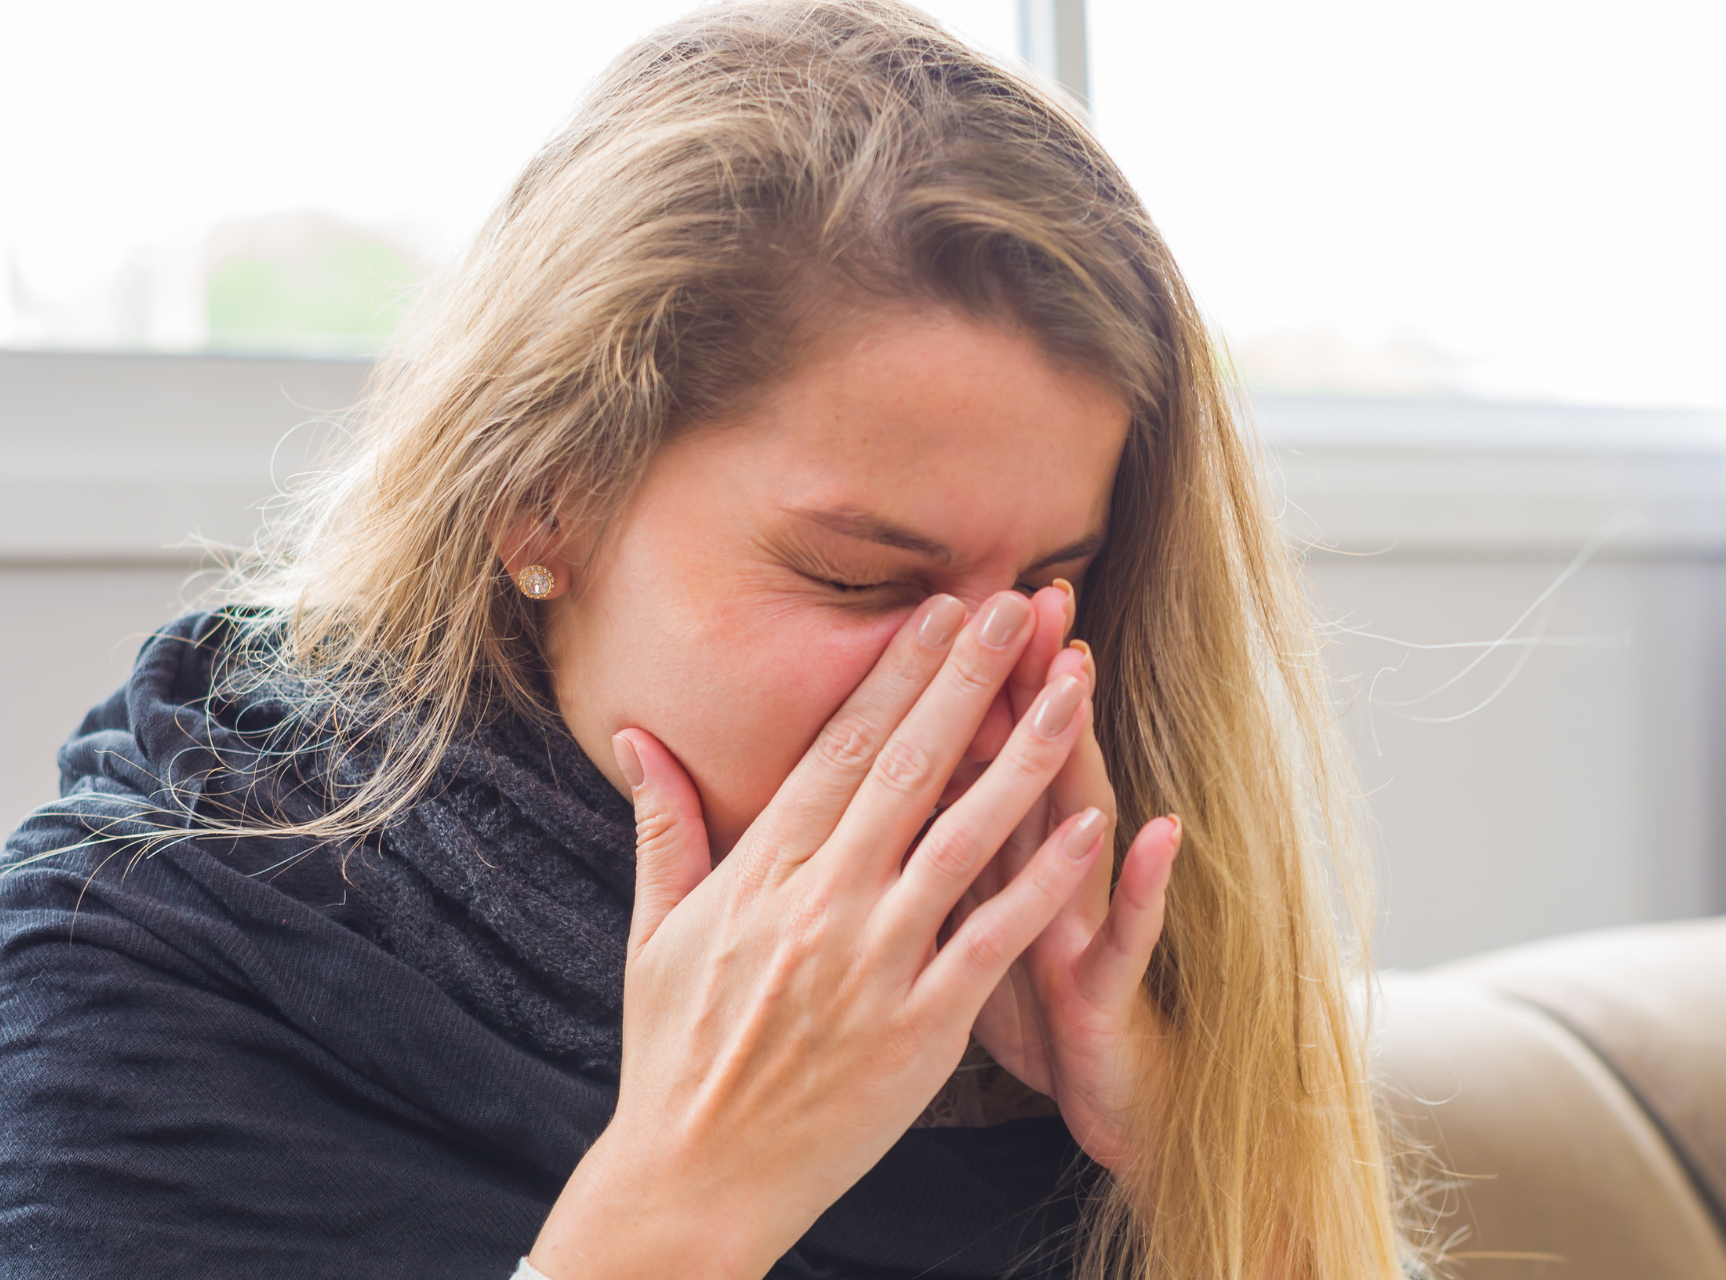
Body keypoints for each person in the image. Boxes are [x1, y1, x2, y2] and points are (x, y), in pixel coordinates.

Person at [0, 2, 1415, 1276]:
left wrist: (1181, 1144)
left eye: (1052, 584)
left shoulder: (1077, 996)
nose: (986, 696)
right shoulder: (135, 957)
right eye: (863, 579)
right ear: (538, 504)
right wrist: (691, 1196)